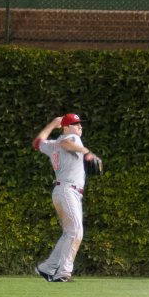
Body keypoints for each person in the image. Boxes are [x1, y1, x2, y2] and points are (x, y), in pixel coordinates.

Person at [32, 113, 99, 283]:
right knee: (76, 230)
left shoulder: (53, 144)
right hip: (69, 190)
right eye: (75, 123)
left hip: (62, 191)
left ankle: (47, 268)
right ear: (66, 127)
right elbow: (66, 142)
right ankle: (63, 273)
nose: (79, 126)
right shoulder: (72, 138)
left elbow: (37, 143)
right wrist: (86, 152)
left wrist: (52, 124)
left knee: (70, 232)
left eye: (79, 124)